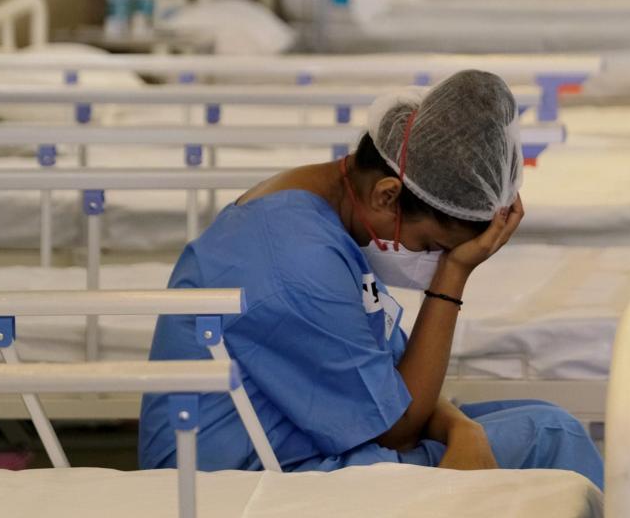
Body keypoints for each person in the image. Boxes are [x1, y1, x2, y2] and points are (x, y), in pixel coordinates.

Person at [138, 70, 603, 487]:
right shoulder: (298, 260)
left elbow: (391, 384)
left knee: (541, 420)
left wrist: (464, 429)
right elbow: (397, 426)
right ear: (387, 196)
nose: (432, 260)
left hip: (300, 446)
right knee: (550, 439)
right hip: (245, 479)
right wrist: (454, 276)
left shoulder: (320, 217)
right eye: (431, 247)